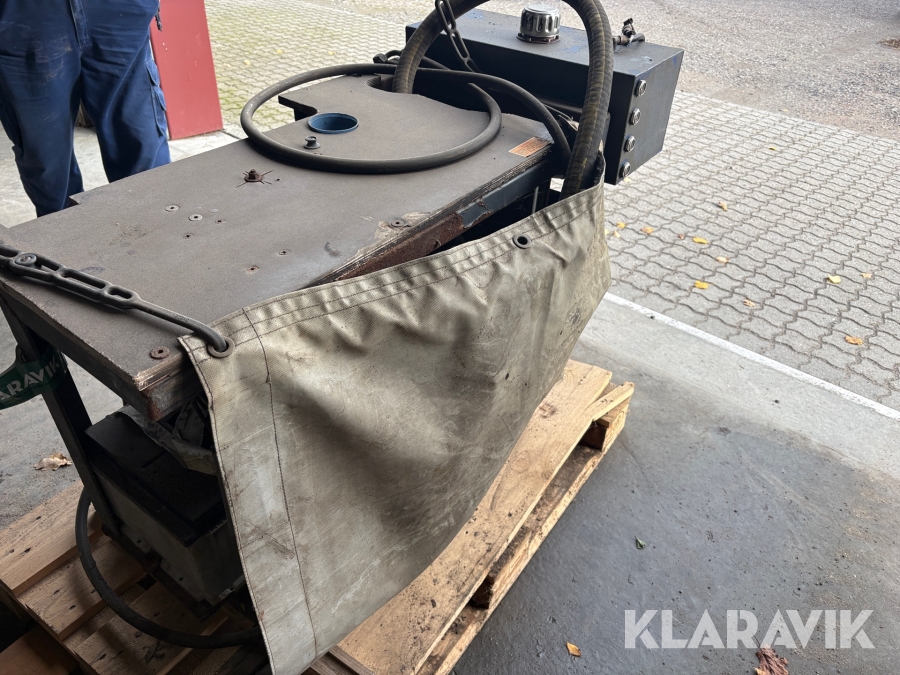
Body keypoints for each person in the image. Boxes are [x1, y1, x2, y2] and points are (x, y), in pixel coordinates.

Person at [0, 0, 170, 218]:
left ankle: (157, 228)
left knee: (142, 146)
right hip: (23, 15)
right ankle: (66, 234)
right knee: (46, 160)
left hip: (117, 11)